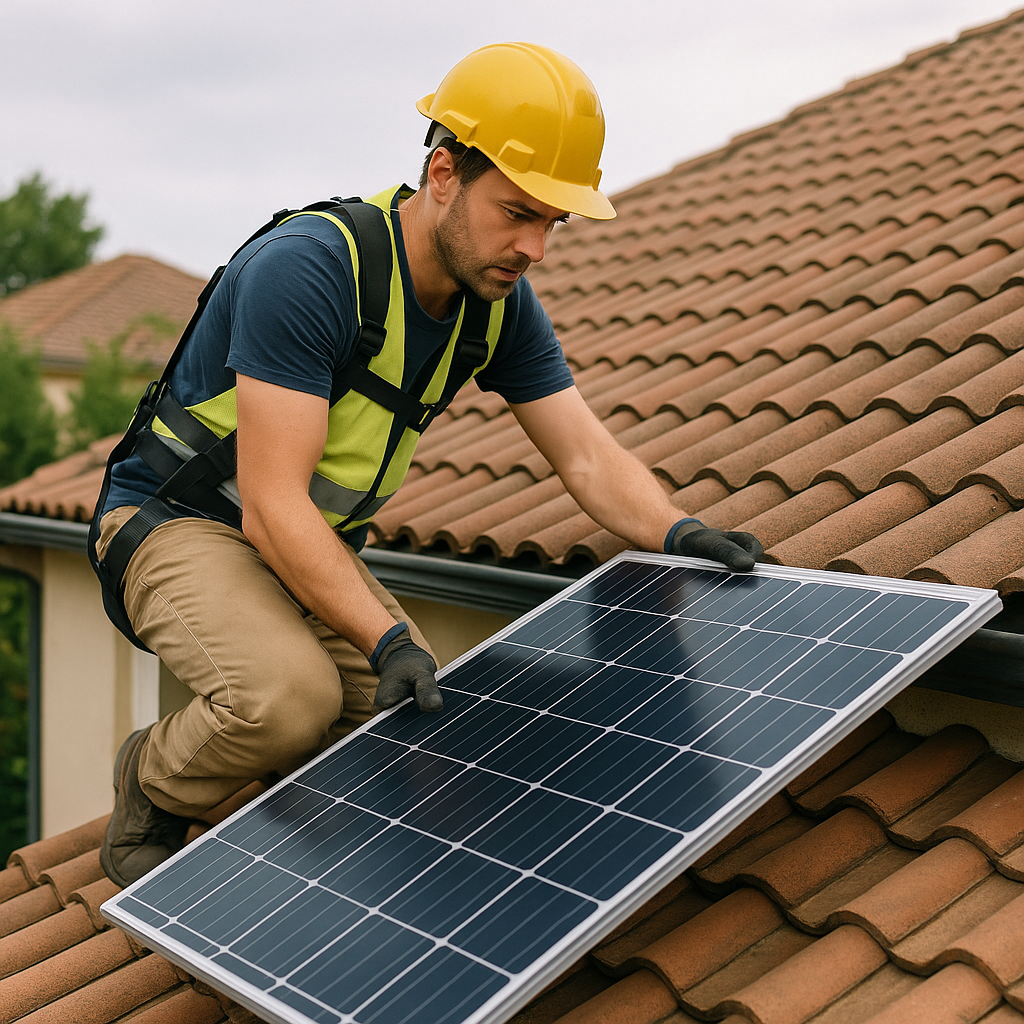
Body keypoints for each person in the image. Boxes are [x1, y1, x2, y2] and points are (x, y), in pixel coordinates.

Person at [92, 41, 763, 888]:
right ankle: (153, 778)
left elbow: (588, 458)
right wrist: (389, 637)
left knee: (411, 748)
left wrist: (681, 530)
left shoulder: (496, 306)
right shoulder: (312, 271)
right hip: (179, 521)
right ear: (443, 173)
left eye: (552, 222)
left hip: (301, 542)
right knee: (290, 702)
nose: (537, 248)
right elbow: (268, 504)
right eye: (518, 212)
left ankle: (280, 828)